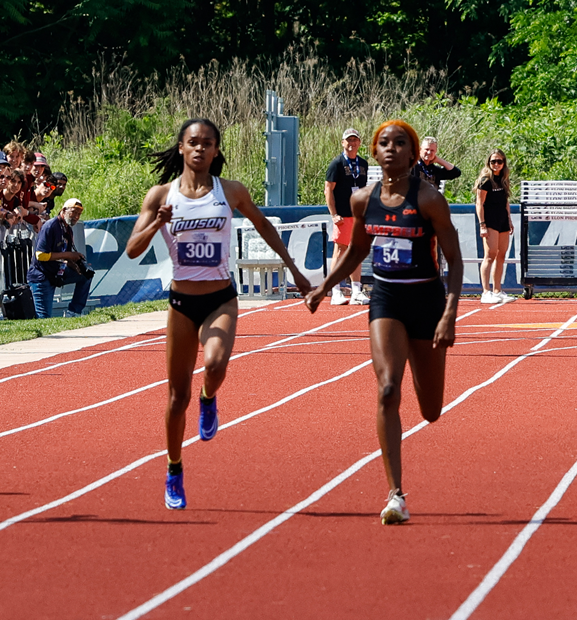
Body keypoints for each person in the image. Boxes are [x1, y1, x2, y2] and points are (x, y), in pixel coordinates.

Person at [126, 119, 310, 510]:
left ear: (216, 150)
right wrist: (158, 222)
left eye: (207, 143)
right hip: (181, 304)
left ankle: (209, 397)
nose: (200, 149)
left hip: (220, 298)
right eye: (193, 142)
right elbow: (132, 250)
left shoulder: (231, 191)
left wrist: (293, 269)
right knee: (177, 397)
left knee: (214, 363)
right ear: (181, 147)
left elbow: (263, 225)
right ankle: (174, 469)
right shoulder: (161, 195)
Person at [308, 120, 462, 523]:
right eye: (384, 143)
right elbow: (357, 250)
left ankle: (424, 379)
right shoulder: (363, 199)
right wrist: (324, 286)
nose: (391, 148)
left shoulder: (429, 199)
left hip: (426, 301)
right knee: (388, 388)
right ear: (375, 153)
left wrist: (449, 313)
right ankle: (396, 494)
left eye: (400, 143)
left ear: (412, 154)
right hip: (387, 299)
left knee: (431, 410)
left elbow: (455, 258)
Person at [325, 128, 368, 304]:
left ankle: (356, 290)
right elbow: (328, 189)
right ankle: (335, 290)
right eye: (348, 140)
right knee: (341, 249)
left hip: (358, 215)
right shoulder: (336, 164)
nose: (352, 143)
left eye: (354, 140)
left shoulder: (363, 164)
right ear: (343, 142)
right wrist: (334, 214)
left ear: (359, 143)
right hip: (342, 215)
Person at [31, 197, 93, 317]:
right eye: (73, 212)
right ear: (63, 210)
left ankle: (74, 312)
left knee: (86, 275)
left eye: (79, 214)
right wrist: (69, 255)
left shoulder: (67, 229)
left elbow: (65, 255)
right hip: (42, 276)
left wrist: (74, 265)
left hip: (56, 271)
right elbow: (40, 255)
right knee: (44, 317)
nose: (76, 216)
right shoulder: (50, 226)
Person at [474, 150, 514, 303]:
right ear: (488, 163)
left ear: (503, 163)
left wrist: (509, 219)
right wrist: (482, 224)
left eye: (499, 161)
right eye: (493, 161)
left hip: (502, 219)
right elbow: (479, 203)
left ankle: (497, 290)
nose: (496, 164)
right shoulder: (485, 180)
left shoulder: (503, 179)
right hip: (490, 220)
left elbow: (505, 201)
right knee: (490, 255)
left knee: (501, 255)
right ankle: (486, 292)